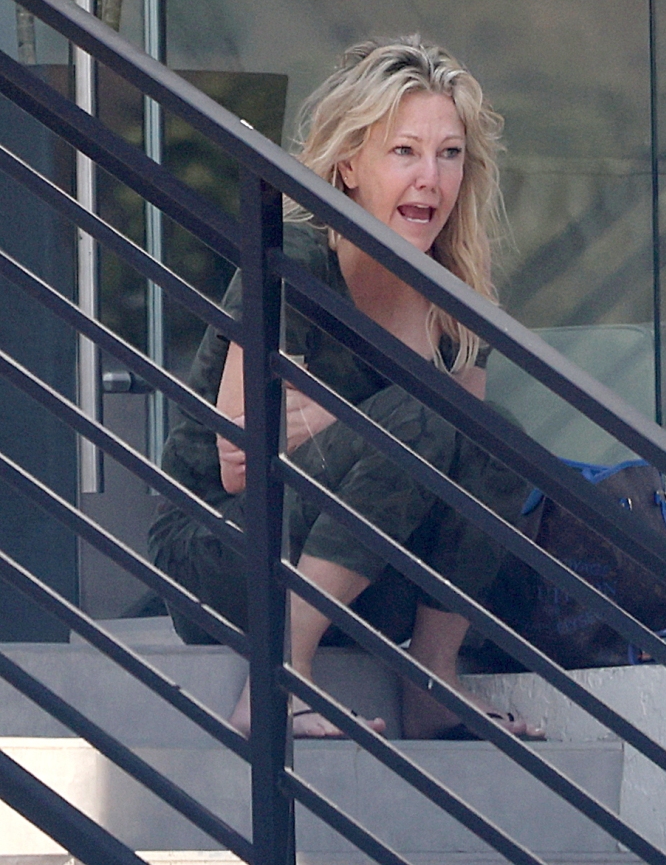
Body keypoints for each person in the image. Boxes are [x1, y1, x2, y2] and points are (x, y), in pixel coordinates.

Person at [149, 36, 544, 740]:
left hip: (365, 575)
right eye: (404, 152)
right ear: (348, 165)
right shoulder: (293, 263)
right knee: (428, 416)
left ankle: (430, 679)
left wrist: (324, 417)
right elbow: (242, 462)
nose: (430, 177)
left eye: (448, 154)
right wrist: (382, 426)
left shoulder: (458, 306)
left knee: (494, 434)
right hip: (226, 554)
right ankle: (281, 680)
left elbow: (466, 475)